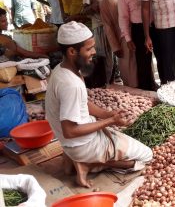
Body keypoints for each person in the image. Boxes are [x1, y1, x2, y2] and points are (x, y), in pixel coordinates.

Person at [45, 21, 152, 188]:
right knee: (146, 156)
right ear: (72, 51)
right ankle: (87, 164)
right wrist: (110, 122)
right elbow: (70, 130)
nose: (94, 52)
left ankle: (76, 159)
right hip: (81, 144)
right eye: (89, 49)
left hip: (70, 143)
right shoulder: (70, 84)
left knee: (114, 136)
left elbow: (83, 103)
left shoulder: (61, 69)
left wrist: (108, 114)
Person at [118, 0, 156, 90]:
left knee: (162, 57)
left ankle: (162, 88)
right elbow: (123, 17)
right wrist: (128, 38)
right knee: (143, 63)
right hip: (139, 30)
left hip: (156, 26)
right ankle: (147, 92)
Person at [99, 0, 138, 87]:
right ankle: (133, 92)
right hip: (122, 40)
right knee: (128, 67)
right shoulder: (104, 2)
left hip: (136, 33)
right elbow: (108, 26)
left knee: (141, 64)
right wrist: (115, 47)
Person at [83, 0, 112, 86]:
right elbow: (84, 11)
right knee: (104, 58)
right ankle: (105, 83)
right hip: (99, 27)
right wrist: (93, 7)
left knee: (113, 58)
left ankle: (111, 82)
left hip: (112, 25)